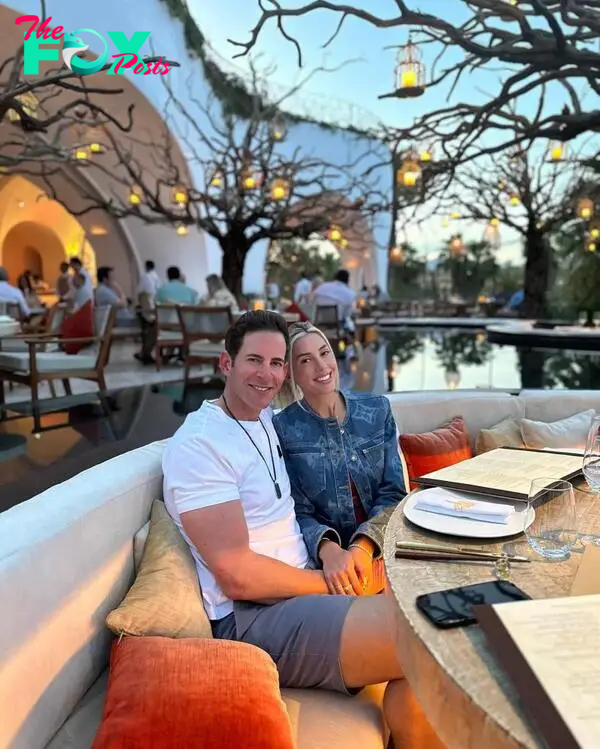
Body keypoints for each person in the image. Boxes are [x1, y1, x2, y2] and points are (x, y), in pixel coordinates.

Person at [162, 311, 443, 749]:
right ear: (225, 363)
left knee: (428, 651)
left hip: (297, 590)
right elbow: (237, 575)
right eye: (255, 360)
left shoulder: (266, 423)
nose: (267, 374)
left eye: (277, 364)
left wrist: (348, 555)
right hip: (253, 619)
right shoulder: (201, 444)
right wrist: (333, 585)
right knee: (426, 635)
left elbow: (306, 502)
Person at [273, 322, 405, 596]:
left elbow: (394, 492)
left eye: (324, 353)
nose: (322, 367)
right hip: (325, 568)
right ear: (290, 373)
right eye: (306, 360)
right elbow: (296, 509)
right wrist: (328, 550)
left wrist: (363, 546)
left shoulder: (377, 410)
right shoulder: (282, 429)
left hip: (384, 550)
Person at [314, 269, 357, 333]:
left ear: (335, 277)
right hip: (338, 328)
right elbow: (347, 314)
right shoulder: (350, 294)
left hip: (319, 327)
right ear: (348, 280)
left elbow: (314, 302)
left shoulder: (322, 287)